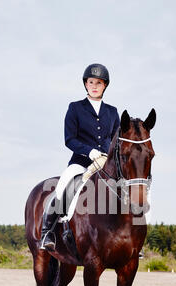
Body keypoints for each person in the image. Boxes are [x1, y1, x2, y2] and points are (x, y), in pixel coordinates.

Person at [40, 63, 120, 251]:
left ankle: (131, 237)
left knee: (128, 190)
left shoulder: (113, 112)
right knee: (64, 185)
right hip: (81, 163)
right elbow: (69, 139)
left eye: (98, 83)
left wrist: (109, 156)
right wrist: (90, 151)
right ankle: (48, 232)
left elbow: (117, 141)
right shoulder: (75, 108)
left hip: (106, 165)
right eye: (91, 82)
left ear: (105, 86)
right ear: (85, 84)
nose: (94, 86)